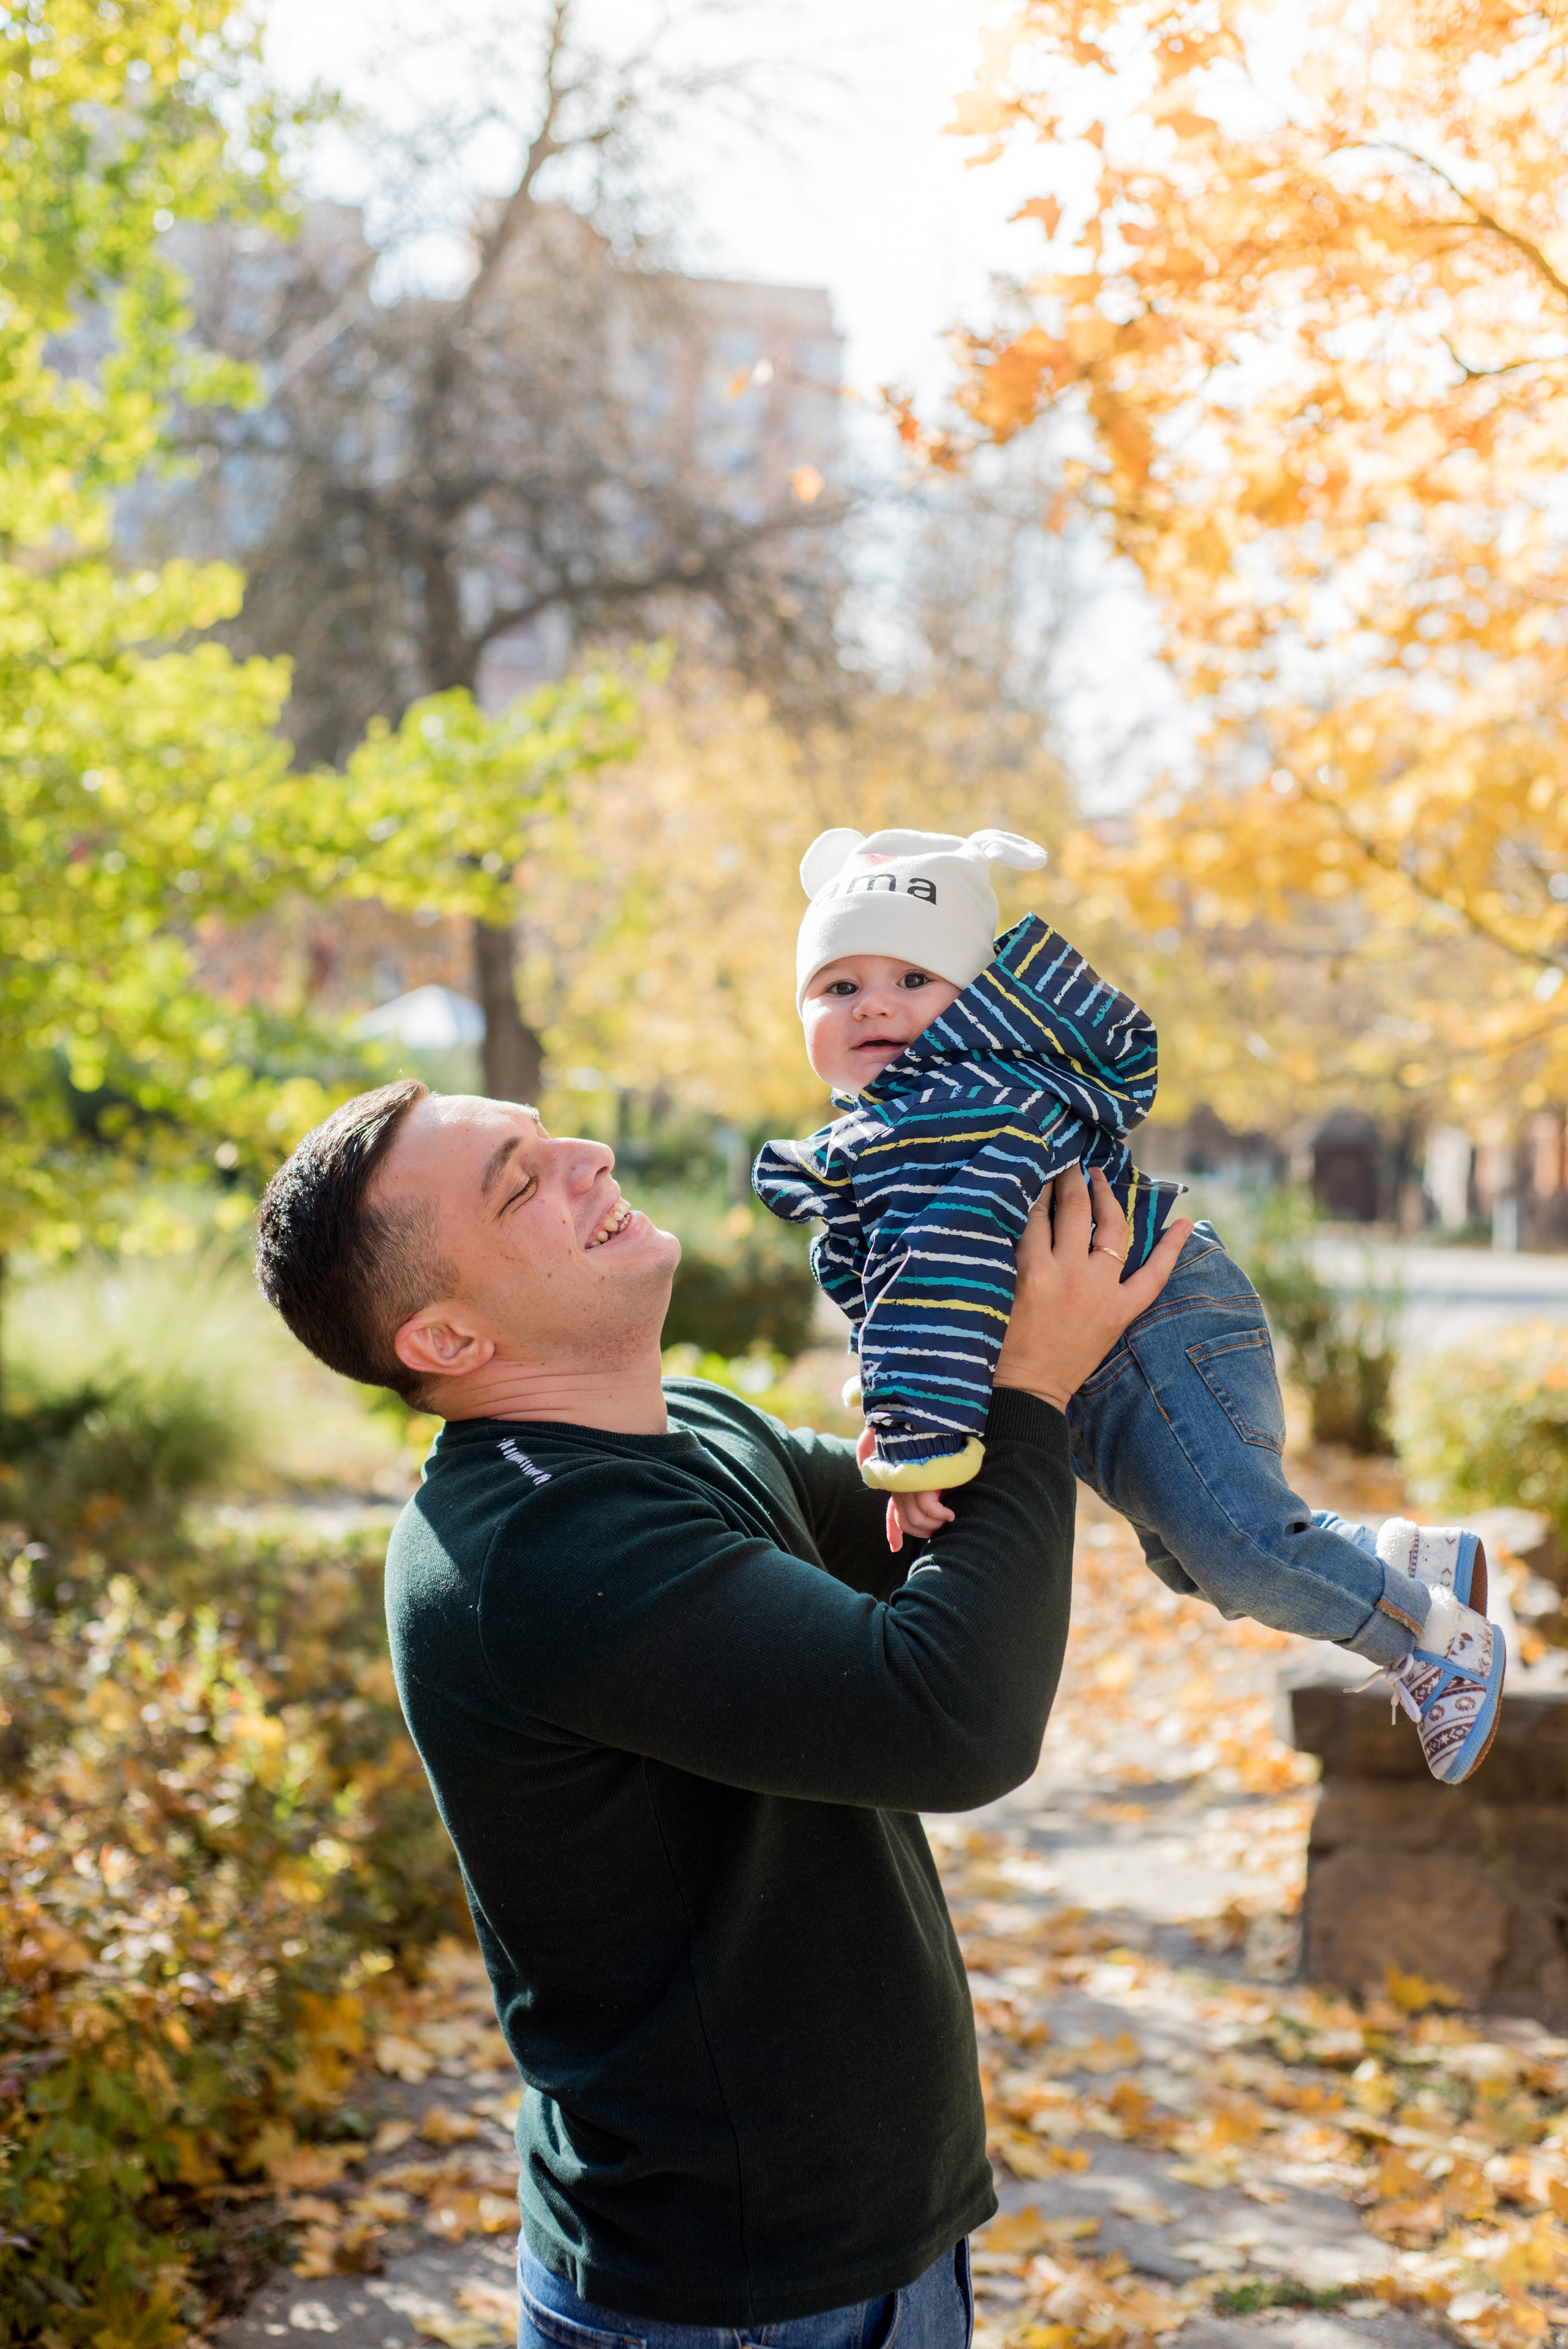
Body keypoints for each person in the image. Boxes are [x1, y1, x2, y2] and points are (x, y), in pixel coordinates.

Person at [252, 1081, 1192, 2349]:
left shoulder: (677, 1425)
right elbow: (948, 1714)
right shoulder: (534, 1547)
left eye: (548, 1135)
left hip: (873, 2234)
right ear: (449, 1341)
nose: (585, 1156)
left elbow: (929, 1514)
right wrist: (1026, 1386)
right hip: (729, 2294)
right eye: (520, 1182)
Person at [752, 825, 1504, 1790]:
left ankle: (1436, 1639)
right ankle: (1407, 1556)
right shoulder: (900, 1121)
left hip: (1149, 1327)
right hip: (1106, 1347)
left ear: (972, 997)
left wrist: (917, 1443)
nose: (878, 1005)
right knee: (1193, 1561)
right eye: (840, 986)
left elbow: (943, 1274)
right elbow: (906, 1290)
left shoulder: (950, 1109)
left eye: (913, 978)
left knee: (1236, 1549)